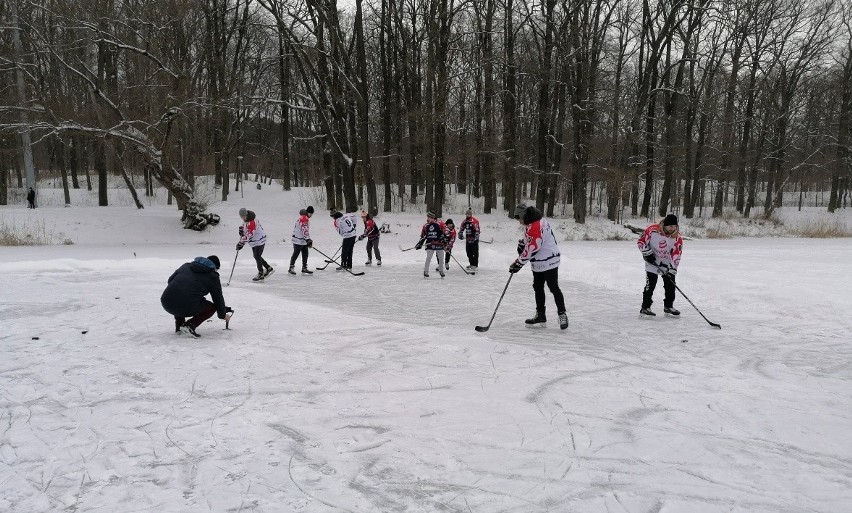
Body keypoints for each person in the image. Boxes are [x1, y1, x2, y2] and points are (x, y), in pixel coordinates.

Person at [509, 204, 568, 330]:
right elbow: (528, 239)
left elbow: (533, 248)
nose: (519, 222)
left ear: (524, 215)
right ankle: (541, 315)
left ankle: (562, 314)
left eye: (519, 218)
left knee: (553, 286)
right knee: (538, 287)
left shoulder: (536, 225)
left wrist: (518, 263)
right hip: (538, 262)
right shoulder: (531, 222)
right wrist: (522, 244)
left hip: (549, 259)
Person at [160, 255, 233, 338]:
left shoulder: (186, 266)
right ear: (214, 267)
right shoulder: (213, 276)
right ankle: (190, 325)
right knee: (210, 307)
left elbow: (170, 280)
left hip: (166, 301)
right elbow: (218, 298)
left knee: (181, 295)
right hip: (184, 305)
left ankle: (179, 327)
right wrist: (223, 315)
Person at [637, 213, 683, 317]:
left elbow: (677, 255)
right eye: (670, 226)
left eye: (675, 226)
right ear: (665, 225)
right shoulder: (652, 230)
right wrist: (647, 253)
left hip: (667, 264)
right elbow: (641, 241)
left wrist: (673, 268)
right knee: (650, 285)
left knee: (670, 285)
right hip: (652, 262)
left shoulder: (677, 238)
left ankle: (668, 306)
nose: (672, 229)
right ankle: (645, 307)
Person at [237, 207, 273, 281]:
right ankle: (268, 268)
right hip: (254, 241)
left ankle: (260, 273)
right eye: (241, 217)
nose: (243, 218)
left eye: (243, 216)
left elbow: (250, 234)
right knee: (257, 256)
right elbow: (245, 230)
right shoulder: (246, 220)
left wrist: (241, 243)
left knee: (256, 255)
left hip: (259, 240)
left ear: (246, 214)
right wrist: (241, 231)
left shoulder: (252, 222)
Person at [415, 211, 448, 278]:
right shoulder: (426, 225)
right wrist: (420, 243)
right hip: (430, 244)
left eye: (429, 217)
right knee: (428, 258)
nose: (428, 219)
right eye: (427, 217)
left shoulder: (440, 223)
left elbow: (445, 232)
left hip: (439, 243)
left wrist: (443, 239)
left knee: (441, 258)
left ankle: (441, 271)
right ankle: (426, 271)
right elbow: (423, 236)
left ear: (433, 218)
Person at [289, 206, 314, 275]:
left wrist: (308, 239)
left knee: (305, 253)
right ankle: (291, 268)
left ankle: (304, 268)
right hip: (298, 239)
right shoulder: (304, 218)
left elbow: (305, 231)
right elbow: (304, 230)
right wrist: (308, 239)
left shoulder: (303, 218)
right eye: (311, 213)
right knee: (296, 253)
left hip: (302, 239)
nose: (311, 215)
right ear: (308, 212)